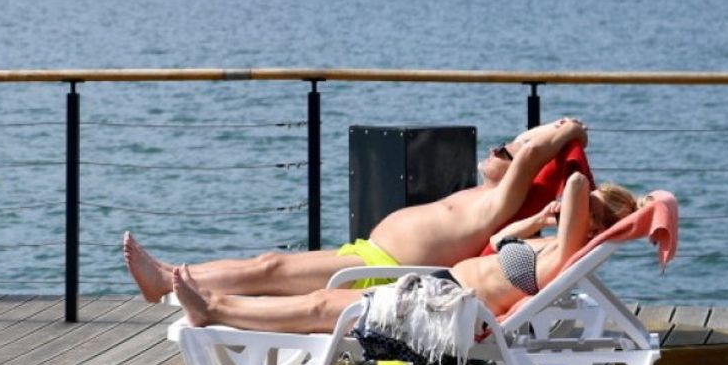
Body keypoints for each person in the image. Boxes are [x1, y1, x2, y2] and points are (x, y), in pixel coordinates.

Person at [124, 117, 591, 303]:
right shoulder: (481, 193)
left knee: (271, 267)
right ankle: (172, 275)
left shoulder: (499, 202)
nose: (494, 149)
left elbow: (533, 150)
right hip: (368, 256)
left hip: (380, 270)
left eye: (504, 151)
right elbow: (528, 149)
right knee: (270, 265)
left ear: (520, 171)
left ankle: (166, 280)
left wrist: (567, 131)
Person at [168, 172, 643, 334]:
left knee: (321, 307)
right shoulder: (550, 245)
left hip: (445, 310)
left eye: (592, 209)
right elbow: (501, 243)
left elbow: (575, 182)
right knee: (323, 303)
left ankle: (213, 309)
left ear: (593, 222)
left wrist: (594, 200)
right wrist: (540, 218)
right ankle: (216, 305)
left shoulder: (565, 254)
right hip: (436, 288)